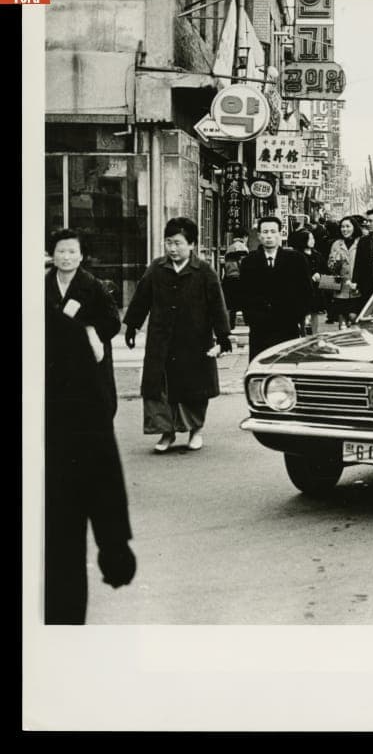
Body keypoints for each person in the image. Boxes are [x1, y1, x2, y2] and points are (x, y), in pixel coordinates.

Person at [45, 306, 136, 623]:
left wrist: (113, 540)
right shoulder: (62, 332)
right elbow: (95, 442)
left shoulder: (62, 334)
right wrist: (113, 541)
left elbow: (92, 438)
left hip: (55, 505)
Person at [123, 217, 232, 453]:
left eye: (178, 243)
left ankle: (195, 431)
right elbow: (141, 299)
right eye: (169, 243)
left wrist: (223, 338)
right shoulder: (156, 268)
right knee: (159, 389)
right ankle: (166, 433)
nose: (172, 248)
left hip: (194, 339)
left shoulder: (204, 271)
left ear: (192, 244)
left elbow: (217, 307)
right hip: (161, 339)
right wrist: (132, 326)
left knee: (193, 388)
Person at [45, 228, 121, 418]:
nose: (66, 257)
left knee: (91, 414)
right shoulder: (42, 285)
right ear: (52, 254)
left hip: (89, 358)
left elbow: (112, 322)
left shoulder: (94, 286)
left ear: (81, 256)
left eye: (72, 252)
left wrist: (89, 329)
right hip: (55, 360)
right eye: (61, 251)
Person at [239, 216, 314, 360]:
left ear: (280, 234)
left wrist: (297, 316)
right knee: (260, 368)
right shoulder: (249, 262)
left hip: (287, 327)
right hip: (259, 329)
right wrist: (252, 317)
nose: (269, 236)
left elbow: (306, 291)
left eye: (273, 231)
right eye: (265, 232)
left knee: (285, 369)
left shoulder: (296, 259)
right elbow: (243, 294)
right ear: (259, 235)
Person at [288, 227, 327, 336]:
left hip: (316, 290)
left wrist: (320, 275)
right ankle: (302, 335)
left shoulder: (317, 255)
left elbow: (326, 270)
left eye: (313, 238)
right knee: (302, 314)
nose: (313, 241)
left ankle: (314, 335)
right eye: (310, 238)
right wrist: (310, 278)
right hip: (302, 290)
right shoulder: (296, 256)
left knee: (314, 313)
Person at [327, 216, 363, 328]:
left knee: (354, 318)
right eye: (342, 226)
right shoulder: (336, 244)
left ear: (354, 227)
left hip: (357, 287)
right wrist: (335, 263)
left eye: (348, 226)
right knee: (342, 321)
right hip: (340, 288)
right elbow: (330, 267)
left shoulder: (361, 242)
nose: (345, 229)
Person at [221, 227, 250, 329]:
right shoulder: (242, 248)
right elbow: (243, 264)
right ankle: (247, 325)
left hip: (229, 279)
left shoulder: (230, 247)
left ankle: (231, 326)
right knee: (245, 304)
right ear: (244, 237)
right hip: (238, 279)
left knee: (231, 306)